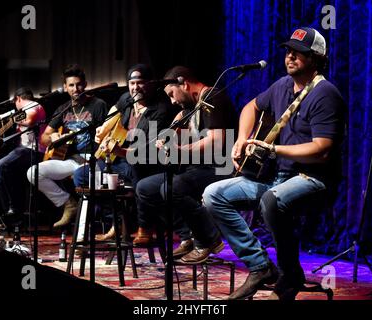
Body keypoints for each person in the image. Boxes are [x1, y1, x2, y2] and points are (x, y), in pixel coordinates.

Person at [202, 27, 346, 300]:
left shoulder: (326, 94)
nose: (290, 57)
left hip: (312, 178)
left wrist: (274, 148)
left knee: (271, 200)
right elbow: (250, 107)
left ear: (315, 58)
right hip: (275, 176)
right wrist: (242, 140)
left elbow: (322, 149)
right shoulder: (281, 85)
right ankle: (260, 266)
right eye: (288, 51)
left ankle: (290, 274)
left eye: (299, 53)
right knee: (213, 194)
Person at [134, 66, 237, 264]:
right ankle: (188, 236)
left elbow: (216, 141)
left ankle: (208, 238)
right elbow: (174, 131)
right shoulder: (190, 107)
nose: (172, 101)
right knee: (145, 188)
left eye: (172, 94)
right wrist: (166, 140)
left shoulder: (214, 97)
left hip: (221, 168)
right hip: (196, 169)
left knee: (172, 188)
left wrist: (181, 150)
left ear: (184, 84)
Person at [82, 63, 176, 241]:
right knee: (84, 173)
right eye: (132, 83)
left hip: (147, 161)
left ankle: (144, 226)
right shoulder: (128, 97)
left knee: (135, 168)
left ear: (151, 83)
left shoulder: (161, 109)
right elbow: (116, 109)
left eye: (140, 83)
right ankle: (116, 224)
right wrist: (104, 127)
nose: (135, 87)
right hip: (122, 156)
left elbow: (147, 150)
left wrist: (120, 151)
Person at [27, 64, 109, 228]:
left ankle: (88, 224)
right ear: (65, 87)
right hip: (71, 160)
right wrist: (53, 137)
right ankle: (68, 203)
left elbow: (107, 135)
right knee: (33, 172)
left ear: (85, 84)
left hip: (94, 160)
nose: (75, 88)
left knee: (81, 174)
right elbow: (44, 137)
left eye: (78, 84)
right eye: (71, 85)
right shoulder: (63, 109)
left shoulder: (98, 105)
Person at [0, 87, 46, 226]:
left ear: (18, 99)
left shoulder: (34, 105)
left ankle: (15, 207)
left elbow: (29, 120)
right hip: (23, 151)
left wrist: (10, 118)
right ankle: (13, 218)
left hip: (34, 151)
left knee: (2, 164)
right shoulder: (22, 110)